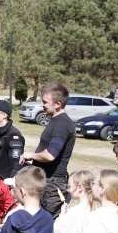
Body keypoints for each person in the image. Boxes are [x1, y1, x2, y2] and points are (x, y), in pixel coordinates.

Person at [19, 83, 75, 216]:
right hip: (47, 181)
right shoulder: (57, 121)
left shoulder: (62, 124)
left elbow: (50, 155)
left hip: (52, 186)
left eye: (45, 102)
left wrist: (31, 155)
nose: (41, 105)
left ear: (58, 104)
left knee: (49, 224)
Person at [0, 99, 25, 182]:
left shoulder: (13, 135)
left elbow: (15, 164)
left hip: (4, 182)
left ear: (4, 115)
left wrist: (8, 184)